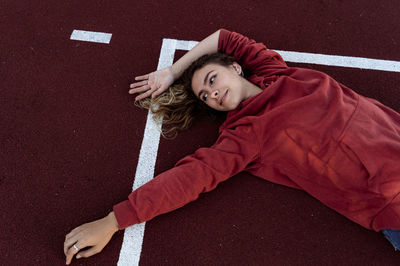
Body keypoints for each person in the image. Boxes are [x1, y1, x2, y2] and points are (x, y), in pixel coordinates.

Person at [64, 29, 400, 264]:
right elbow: (190, 178)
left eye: (212, 80)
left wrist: (173, 70)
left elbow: (225, 37)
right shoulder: (244, 135)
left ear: (236, 67)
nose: (211, 94)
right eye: (205, 97)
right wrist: (113, 221)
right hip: (390, 199)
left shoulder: (277, 73)